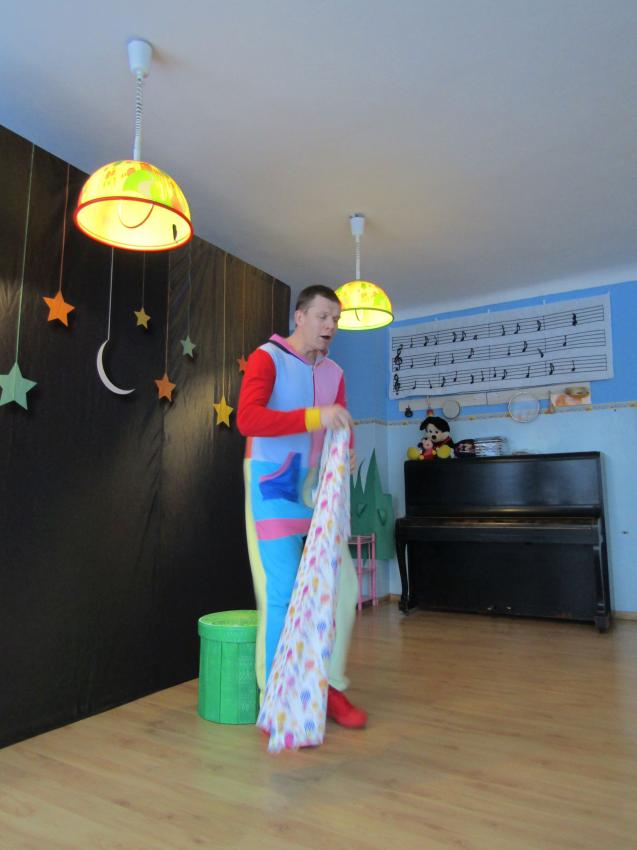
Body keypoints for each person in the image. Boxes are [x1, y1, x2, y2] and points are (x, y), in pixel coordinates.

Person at [237, 284, 367, 729]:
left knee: (342, 590)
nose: (331, 325)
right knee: (284, 591)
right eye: (323, 316)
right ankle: (277, 695)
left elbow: (340, 422)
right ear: (300, 316)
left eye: (336, 319)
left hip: (317, 490)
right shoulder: (267, 358)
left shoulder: (335, 372)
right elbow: (248, 419)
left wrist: (347, 449)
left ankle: (327, 687)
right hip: (272, 483)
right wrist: (316, 416)